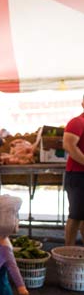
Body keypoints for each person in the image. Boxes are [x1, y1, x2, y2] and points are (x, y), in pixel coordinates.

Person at [62, 101, 84, 246]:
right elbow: (68, 145)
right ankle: (67, 254)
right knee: (75, 216)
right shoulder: (77, 122)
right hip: (77, 175)